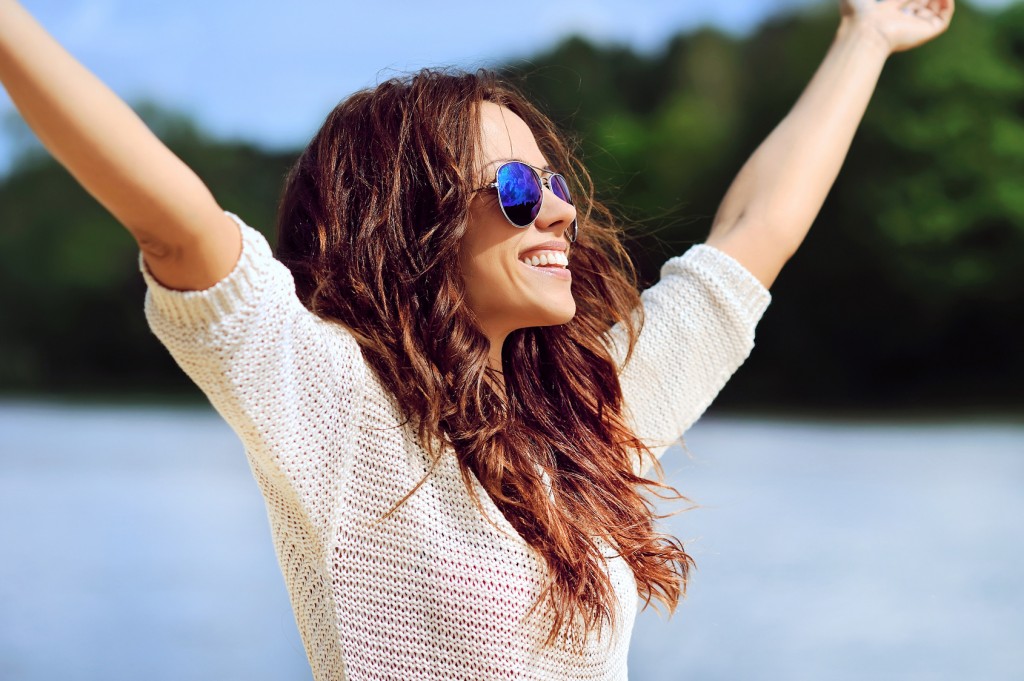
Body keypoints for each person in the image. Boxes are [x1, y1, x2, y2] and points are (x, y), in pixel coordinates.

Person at [0, 0, 953, 679]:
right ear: (410, 225)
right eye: (516, 191)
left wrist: (864, 35)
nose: (559, 216)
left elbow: (751, 238)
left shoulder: (585, 419)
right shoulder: (337, 409)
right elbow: (175, 223)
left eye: (559, 187)